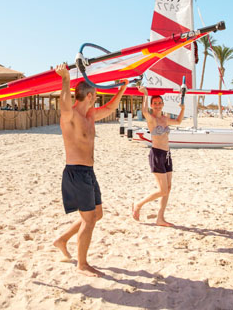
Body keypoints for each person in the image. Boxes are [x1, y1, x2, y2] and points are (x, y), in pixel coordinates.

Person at [52, 63, 128, 277]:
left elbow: (111, 108)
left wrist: (122, 88)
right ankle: (82, 264)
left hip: (88, 173)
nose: (97, 97)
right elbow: (64, 104)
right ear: (92, 95)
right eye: (96, 94)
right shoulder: (72, 116)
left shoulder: (91, 115)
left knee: (97, 214)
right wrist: (65, 79)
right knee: (89, 219)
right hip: (76, 172)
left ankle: (62, 240)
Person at [132, 86, 184, 227]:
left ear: (162, 104)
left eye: (159, 103)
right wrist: (145, 95)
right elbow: (144, 111)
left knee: (168, 187)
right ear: (152, 105)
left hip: (167, 154)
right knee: (163, 190)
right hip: (156, 154)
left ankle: (160, 218)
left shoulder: (165, 118)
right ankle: (138, 204)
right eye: (154, 103)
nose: (157, 105)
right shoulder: (152, 119)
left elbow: (178, 121)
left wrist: (182, 108)